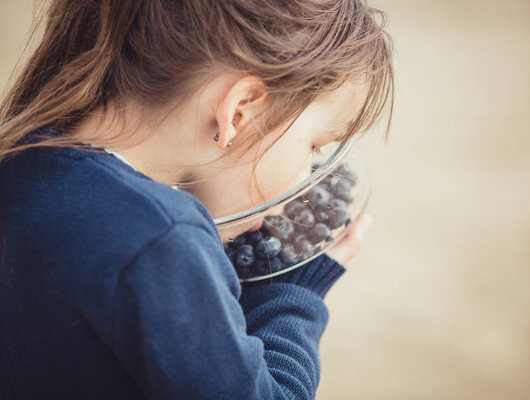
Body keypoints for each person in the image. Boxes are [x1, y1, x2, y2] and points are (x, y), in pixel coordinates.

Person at [0, 1, 393, 399]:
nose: (309, 177)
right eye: (314, 147)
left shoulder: (22, 163)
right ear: (239, 111)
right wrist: (292, 295)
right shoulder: (163, 242)